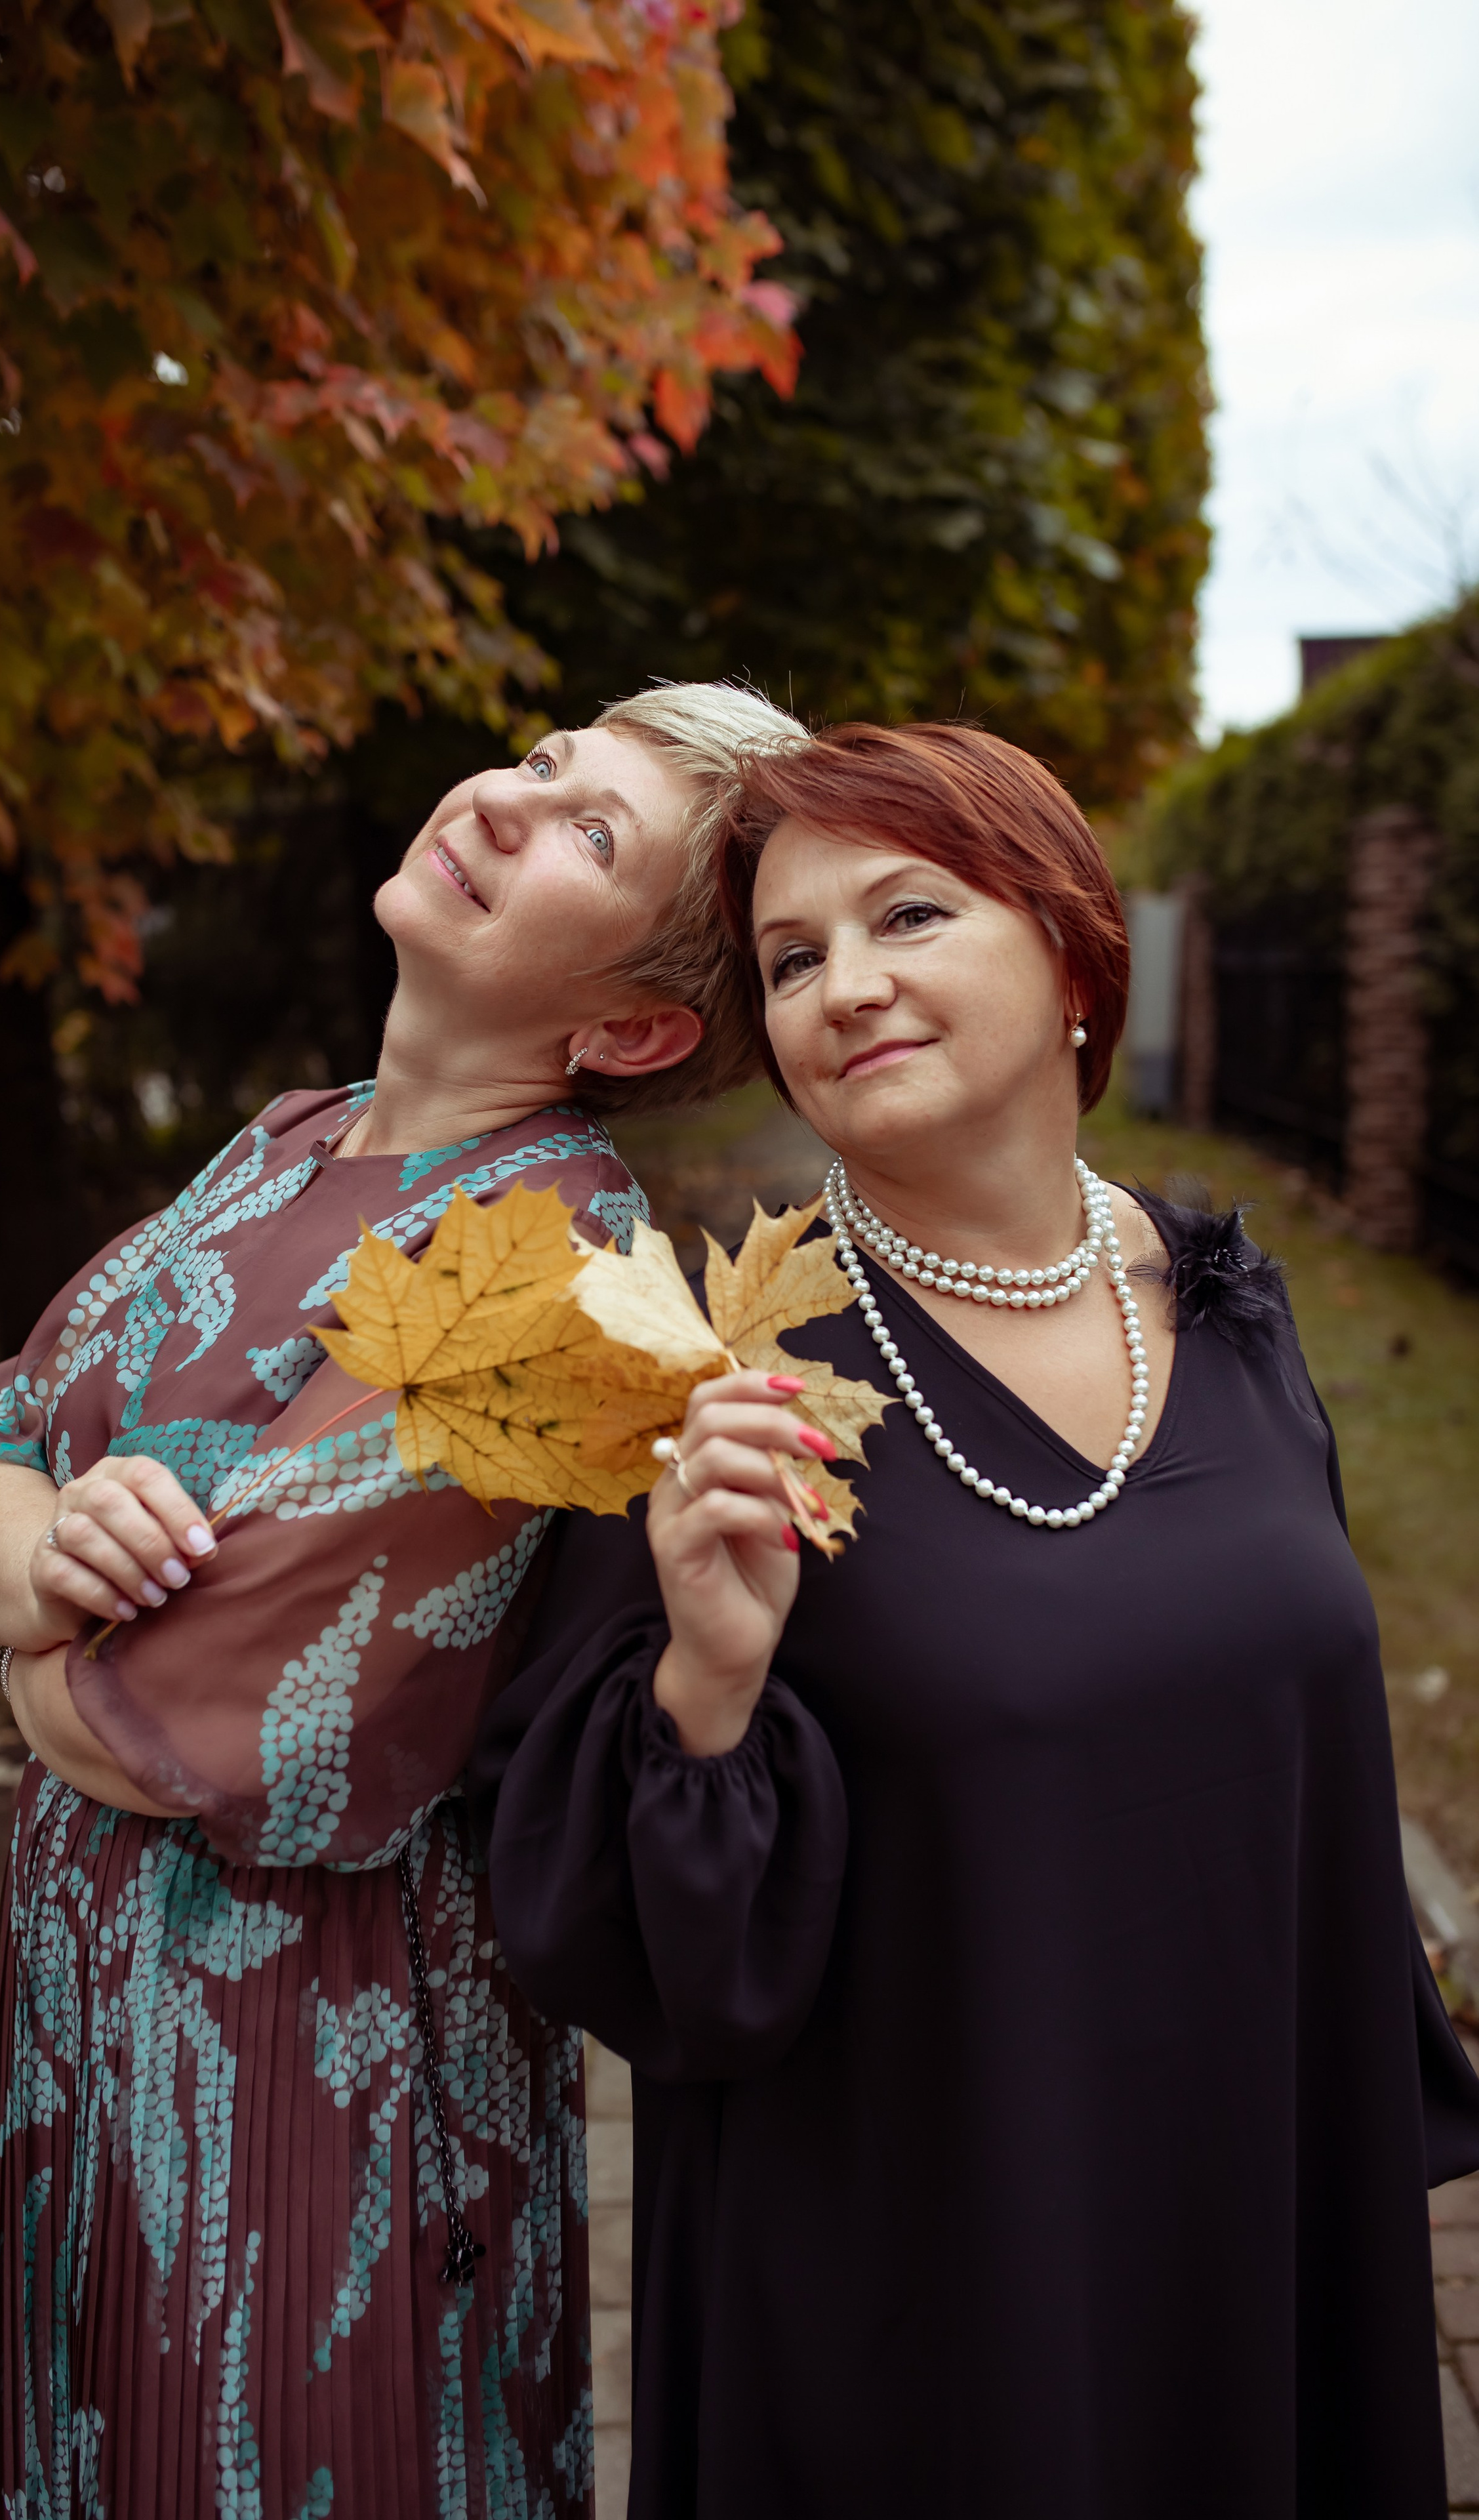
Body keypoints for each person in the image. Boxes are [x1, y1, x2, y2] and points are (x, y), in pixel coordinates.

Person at [472, 720, 1479, 2520]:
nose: (845, 985)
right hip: (924, 2295)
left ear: (1073, 948)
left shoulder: (1237, 1310)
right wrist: (708, 1674)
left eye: (908, 914)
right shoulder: (714, 1371)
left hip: (1245, 2218)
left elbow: (1311, 1782)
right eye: (793, 959)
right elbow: (624, 1943)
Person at [0, 681, 805, 2520]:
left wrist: (20, 1649)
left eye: (591, 832)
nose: (509, 796)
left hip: (299, 2080)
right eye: (550, 759)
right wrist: (27, 1561)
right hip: (106, 2014)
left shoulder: (553, 1283)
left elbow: (166, 1722)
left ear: (633, 1025)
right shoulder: (285, 1140)